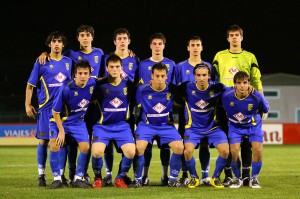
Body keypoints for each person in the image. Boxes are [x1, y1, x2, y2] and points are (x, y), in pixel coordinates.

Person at [38, 25, 105, 183]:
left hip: (89, 105)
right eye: (82, 35)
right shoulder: (70, 55)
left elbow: (103, 76)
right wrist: (44, 53)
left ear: (92, 37)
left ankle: (81, 175)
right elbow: (56, 55)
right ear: (78, 38)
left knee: (86, 144)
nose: (85, 37)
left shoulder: (100, 54)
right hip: (69, 108)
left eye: (88, 35)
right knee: (66, 144)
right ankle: (62, 174)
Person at [212, 24, 264, 186]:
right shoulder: (219, 56)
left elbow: (256, 80)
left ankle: (247, 176)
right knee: (228, 142)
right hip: (224, 104)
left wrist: (261, 101)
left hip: (246, 105)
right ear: (227, 38)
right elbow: (213, 80)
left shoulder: (250, 57)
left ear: (242, 37)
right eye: (231, 35)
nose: (234, 38)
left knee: (248, 142)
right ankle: (230, 176)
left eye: (237, 35)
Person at [25, 31, 72, 187]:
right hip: (46, 108)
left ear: (63, 44)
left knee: (61, 142)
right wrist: (27, 104)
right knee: (44, 141)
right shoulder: (41, 61)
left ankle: (61, 175)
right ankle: (41, 175)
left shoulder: (68, 62)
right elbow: (30, 85)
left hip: (62, 110)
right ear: (49, 44)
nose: (57, 43)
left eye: (59, 41)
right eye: (54, 41)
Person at [129, 62, 185, 188]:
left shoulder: (172, 89)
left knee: (179, 147)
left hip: (165, 125)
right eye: (157, 76)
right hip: (147, 125)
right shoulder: (142, 89)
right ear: (152, 76)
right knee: (139, 147)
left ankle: (172, 179)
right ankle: (138, 179)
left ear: (167, 76)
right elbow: (134, 106)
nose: (160, 79)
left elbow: (181, 104)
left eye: (162, 76)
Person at [179, 63, 229, 189]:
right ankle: (194, 178)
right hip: (193, 129)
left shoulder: (217, 87)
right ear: (194, 76)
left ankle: (215, 177)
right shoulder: (186, 87)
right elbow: (169, 90)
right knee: (188, 151)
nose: (201, 78)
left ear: (209, 76)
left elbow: (233, 92)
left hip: (213, 128)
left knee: (225, 150)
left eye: (204, 75)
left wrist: (251, 89)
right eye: (199, 75)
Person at [91, 54, 136, 189]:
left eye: (117, 66)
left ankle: (119, 178)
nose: (115, 69)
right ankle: (98, 177)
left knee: (131, 152)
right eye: (112, 67)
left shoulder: (129, 85)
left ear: (122, 68)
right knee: (97, 152)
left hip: (122, 126)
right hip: (102, 127)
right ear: (107, 68)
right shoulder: (99, 85)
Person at [101, 28, 140, 186]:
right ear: (115, 42)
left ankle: (121, 175)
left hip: (127, 109)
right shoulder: (107, 58)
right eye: (120, 38)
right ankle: (108, 174)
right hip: (108, 107)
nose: (122, 41)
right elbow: (100, 78)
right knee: (106, 145)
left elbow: (137, 83)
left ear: (129, 41)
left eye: (125, 38)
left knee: (128, 147)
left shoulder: (135, 59)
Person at [48, 61, 95, 189]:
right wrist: (61, 131)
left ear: (90, 75)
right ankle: (57, 179)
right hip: (59, 121)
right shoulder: (66, 88)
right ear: (75, 74)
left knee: (85, 147)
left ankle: (78, 178)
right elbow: (55, 112)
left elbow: (103, 80)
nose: (83, 76)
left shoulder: (92, 83)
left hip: (77, 122)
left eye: (86, 73)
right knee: (54, 144)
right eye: (80, 73)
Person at [137, 33, 176, 186]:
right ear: (150, 46)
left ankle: (165, 176)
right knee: (145, 145)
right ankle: (144, 176)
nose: (157, 46)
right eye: (155, 43)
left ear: (164, 46)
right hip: (147, 109)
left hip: (165, 109)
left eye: (160, 43)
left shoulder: (171, 64)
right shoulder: (143, 64)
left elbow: (173, 87)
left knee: (166, 145)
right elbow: (139, 85)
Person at [175, 35, 215, 185]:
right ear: (188, 48)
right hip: (186, 112)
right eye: (192, 45)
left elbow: (214, 89)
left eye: (198, 45)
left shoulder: (209, 67)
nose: (195, 48)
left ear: (202, 47)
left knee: (204, 142)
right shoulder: (180, 67)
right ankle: (185, 174)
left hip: (205, 112)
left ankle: (205, 174)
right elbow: (175, 89)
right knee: (186, 144)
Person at [222, 71, 269, 188]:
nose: (242, 85)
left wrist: (258, 94)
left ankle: (254, 179)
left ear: (249, 83)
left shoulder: (255, 96)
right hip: (235, 127)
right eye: (239, 83)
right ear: (234, 84)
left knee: (258, 150)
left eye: (245, 82)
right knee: (234, 151)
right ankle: (237, 179)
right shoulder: (226, 95)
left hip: (253, 126)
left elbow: (266, 108)